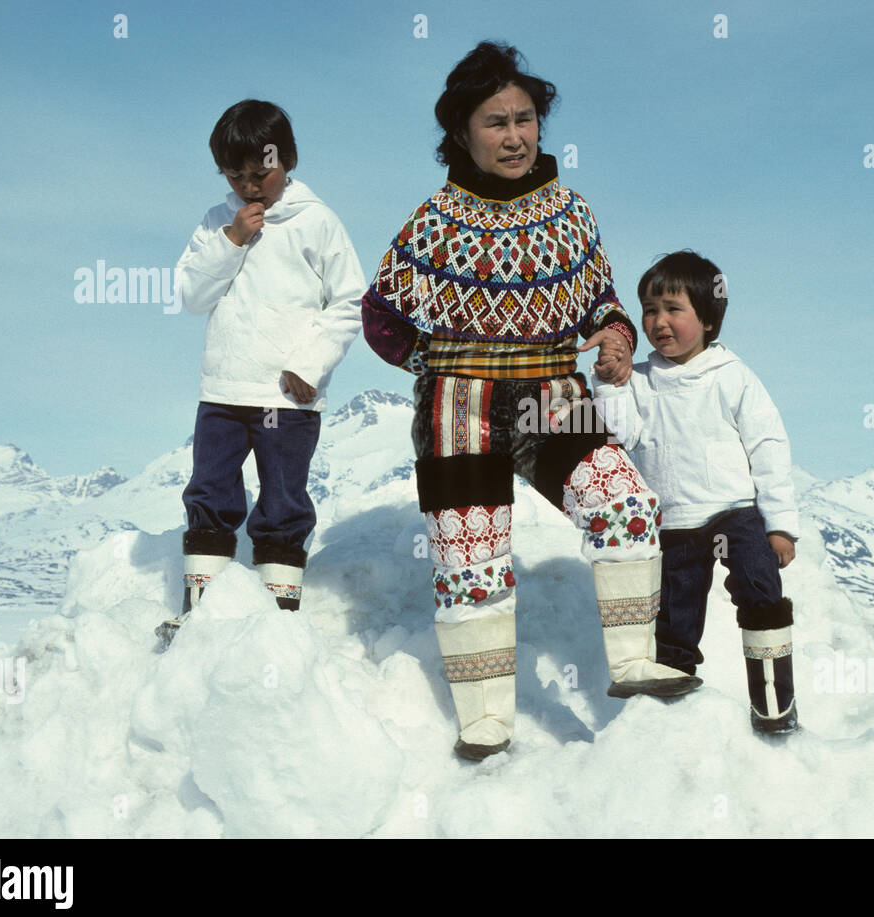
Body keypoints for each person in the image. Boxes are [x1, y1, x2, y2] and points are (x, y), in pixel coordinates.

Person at [362, 42, 701, 760]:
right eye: (495, 122)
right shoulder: (435, 222)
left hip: (552, 393)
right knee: (471, 560)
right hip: (458, 406)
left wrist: (613, 336)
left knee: (625, 503)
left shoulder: (571, 215)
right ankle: (486, 719)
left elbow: (604, 302)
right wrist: (428, 359)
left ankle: (635, 661)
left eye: (524, 119)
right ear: (461, 132)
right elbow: (380, 315)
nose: (514, 136)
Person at [157, 99, 367, 647]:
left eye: (261, 173)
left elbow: (349, 301)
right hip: (224, 391)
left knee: (282, 500)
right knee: (209, 490)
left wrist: (309, 364)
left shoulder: (317, 222)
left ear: (288, 160)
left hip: (288, 396)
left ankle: (278, 619)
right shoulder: (214, 225)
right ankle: (202, 610)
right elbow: (191, 296)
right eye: (236, 175)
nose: (251, 186)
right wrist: (230, 242)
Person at [591, 251, 802, 733]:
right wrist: (611, 387)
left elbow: (769, 448)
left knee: (759, 585)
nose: (658, 321)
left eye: (672, 308)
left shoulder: (733, 377)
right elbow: (620, 438)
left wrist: (781, 525)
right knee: (672, 623)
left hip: (734, 514)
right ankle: (674, 723)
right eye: (648, 310)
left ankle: (774, 700)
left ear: (707, 318)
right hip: (672, 524)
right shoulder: (639, 381)